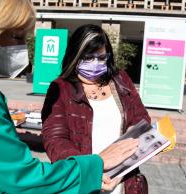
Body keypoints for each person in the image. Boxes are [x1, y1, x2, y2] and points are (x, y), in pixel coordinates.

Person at [0, 0, 139, 193]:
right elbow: (22, 177)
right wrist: (95, 164)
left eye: (101, 57)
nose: (23, 46)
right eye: (17, 36)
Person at [42, 24, 151, 194]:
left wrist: (134, 133)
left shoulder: (120, 79)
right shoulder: (60, 88)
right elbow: (55, 140)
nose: (96, 63)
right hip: (85, 181)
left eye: (101, 58)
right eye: (88, 57)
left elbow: (140, 117)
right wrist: (91, 169)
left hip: (124, 181)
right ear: (74, 56)